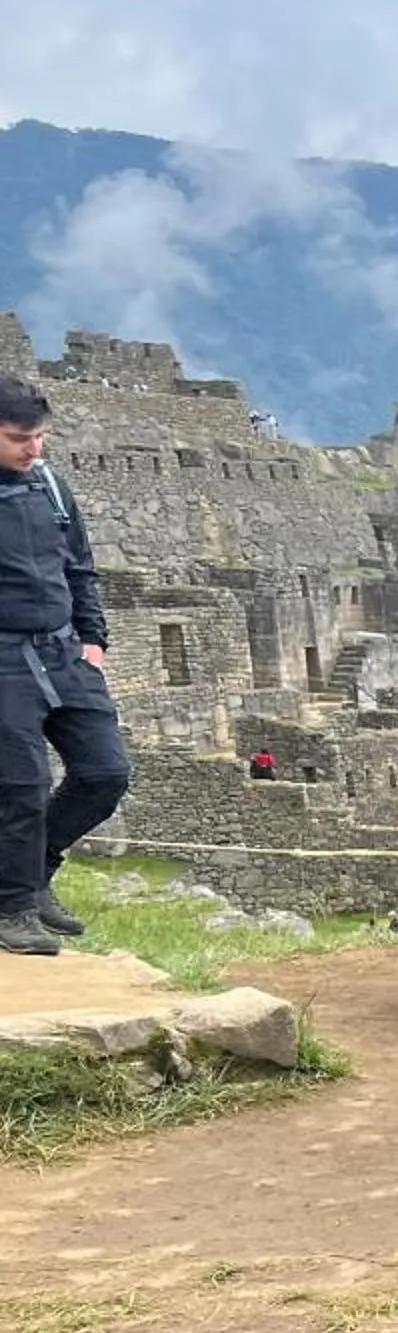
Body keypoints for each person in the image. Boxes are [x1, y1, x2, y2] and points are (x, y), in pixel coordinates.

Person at [0, 376, 131, 956]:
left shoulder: (51, 485)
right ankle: (12, 908)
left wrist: (93, 640)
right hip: (3, 658)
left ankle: (35, 875)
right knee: (23, 786)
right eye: (18, 438)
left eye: (40, 436)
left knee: (105, 773)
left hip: (63, 651)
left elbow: (79, 566)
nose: (33, 449)